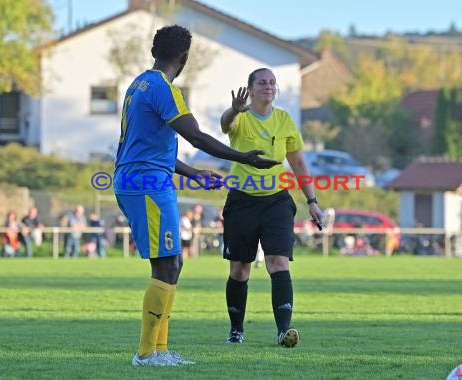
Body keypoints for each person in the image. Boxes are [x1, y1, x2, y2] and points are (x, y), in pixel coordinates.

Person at [113, 25, 278, 367]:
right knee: (167, 263)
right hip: (147, 184)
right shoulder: (164, 89)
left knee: (172, 262)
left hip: (140, 178)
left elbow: (146, 146)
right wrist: (244, 158)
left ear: (155, 50)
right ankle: (147, 353)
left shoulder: (138, 84)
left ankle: (158, 350)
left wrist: (194, 173)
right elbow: (198, 138)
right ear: (185, 58)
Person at [220, 68, 325, 347]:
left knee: (277, 262)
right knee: (240, 269)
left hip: (277, 201)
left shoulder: (284, 120)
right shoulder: (240, 117)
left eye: (272, 83)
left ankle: (283, 331)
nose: (268, 86)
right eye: (262, 83)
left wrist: (312, 201)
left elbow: (299, 163)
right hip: (242, 201)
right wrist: (233, 110)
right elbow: (225, 125)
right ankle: (236, 330)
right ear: (250, 89)